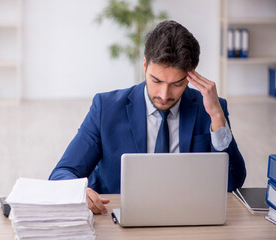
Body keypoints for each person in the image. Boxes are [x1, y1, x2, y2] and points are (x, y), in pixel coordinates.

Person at [49, 20, 246, 214]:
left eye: (176, 84)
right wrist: (79, 191)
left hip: (186, 218)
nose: (164, 94)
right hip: (118, 219)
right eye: (156, 80)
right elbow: (61, 173)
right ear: (145, 66)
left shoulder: (210, 110)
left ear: (190, 76)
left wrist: (218, 118)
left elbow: (233, 184)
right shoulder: (106, 108)